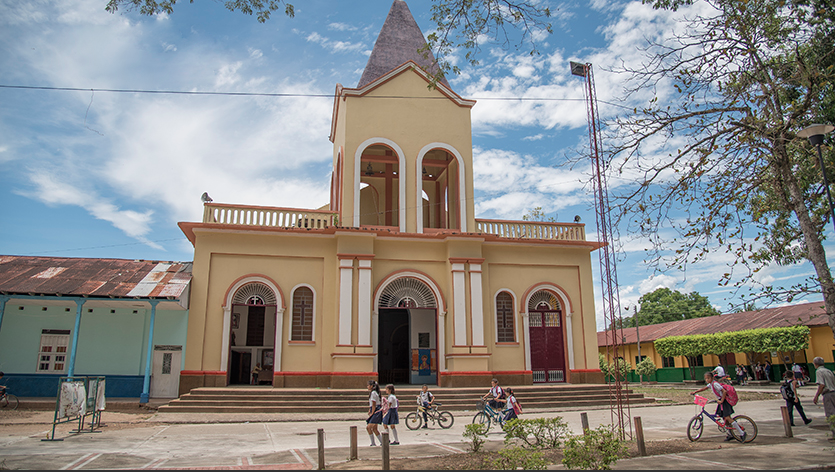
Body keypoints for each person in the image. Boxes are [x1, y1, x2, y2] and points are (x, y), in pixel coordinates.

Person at [690, 371, 746, 442]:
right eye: (706, 379)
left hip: (725, 401)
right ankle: (730, 434)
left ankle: (742, 433)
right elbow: (704, 388)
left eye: (708, 378)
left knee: (728, 417)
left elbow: (724, 391)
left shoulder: (715, 384)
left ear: (712, 378)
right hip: (721, 401)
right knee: (723, 417)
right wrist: (695, 392)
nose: (707, 380)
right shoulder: (711, 384)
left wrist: (722, 401)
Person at [812, 356, 835, 435]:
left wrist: (816, 396)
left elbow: (822, 385)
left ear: (815, 364)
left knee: (830, 414)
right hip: (834, 392)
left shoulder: (819, 371)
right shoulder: (829, 371)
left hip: (828, 394)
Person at [366, 380, 383, 446]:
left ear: (371, 386)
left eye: (368, 385)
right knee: (375, 429)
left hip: (376, 411)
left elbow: (374, 404)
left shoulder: (373, 393)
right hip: (375, 410)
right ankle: (382, 442)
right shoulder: (374, 393)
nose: (367, 387)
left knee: (368, 427)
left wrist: (372, 413)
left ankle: (373, 443)